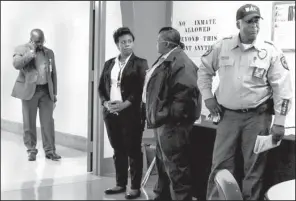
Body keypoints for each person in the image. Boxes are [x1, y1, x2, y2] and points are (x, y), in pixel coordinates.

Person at [197, 4, 293, 200]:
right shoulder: (222, 46)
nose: (254, 26)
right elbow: (204, 70)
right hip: (227, 116)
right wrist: (207, 97)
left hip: (258, 118)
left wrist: (280, 122)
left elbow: (282, 89)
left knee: (254, 168)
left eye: (257, 21)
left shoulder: (270, 51)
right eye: (249, 22)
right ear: (238, 24)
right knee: (220, 165)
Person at [143, 27, 202, 201]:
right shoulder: (166, 59)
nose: (156, 44)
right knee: (163, 166)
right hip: (163, 123)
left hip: (172, 126)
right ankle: (162, 197)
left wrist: (166, 115)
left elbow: (185, 95)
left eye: (158, 41)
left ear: (166, 43)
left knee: (177, 170)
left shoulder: (181, 62)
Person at [98, 27, 148, 199]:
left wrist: (125, 104)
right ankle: (120, 184)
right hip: (111, 113)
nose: (127, 45)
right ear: (117, 45)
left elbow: (141, 87)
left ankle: (134, 187)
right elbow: (101, 87)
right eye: (123, 42)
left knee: (133, 150)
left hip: (131, 113)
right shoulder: (109, 64)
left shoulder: (140, 63)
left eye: (129, 41)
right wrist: (106, 103)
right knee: (117, 149)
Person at [11, 29, 61, 161]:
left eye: (42, 41)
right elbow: (16, 64)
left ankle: (50, 151)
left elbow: (53, 73)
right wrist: (31, 53)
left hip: (46, 91)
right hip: (30, 91)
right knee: (29, 122)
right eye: (37, 42)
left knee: (48, 122)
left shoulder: (49, 52)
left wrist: (54, 93)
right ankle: (31, 150)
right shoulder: (21, 49)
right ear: (31, 40)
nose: (40, 44)